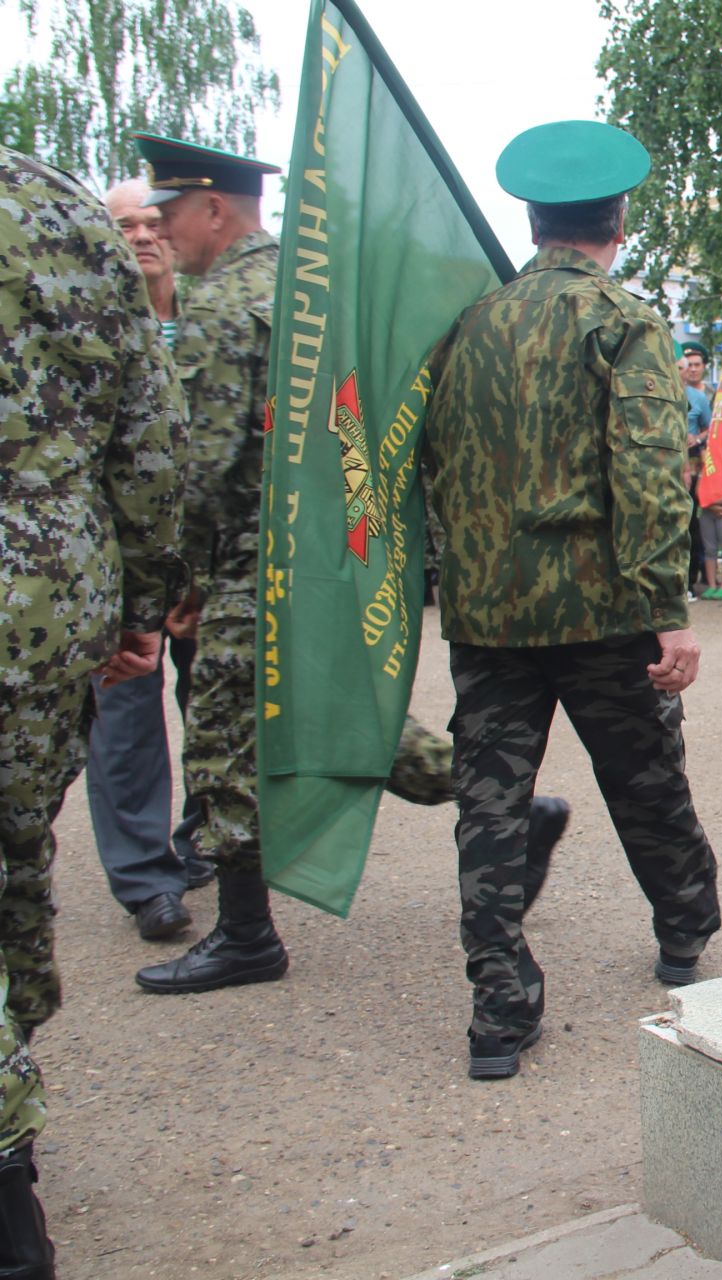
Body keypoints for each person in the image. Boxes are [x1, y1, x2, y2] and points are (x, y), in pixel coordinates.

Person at [419, 121, 721, 1080]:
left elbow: (425, 460)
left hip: (487, 613)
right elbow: (647, 474)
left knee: (490, 806)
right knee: (644, 781)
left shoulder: (465, 323)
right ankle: (684, 929)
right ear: (617, 219)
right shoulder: (622, 322)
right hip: (598, 613)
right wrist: (668, 604)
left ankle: (498, 1012)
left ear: (535, 217)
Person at [0, 145, 188, 1273]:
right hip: (42, 600)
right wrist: (138, 593)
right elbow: (144, 427)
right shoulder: (51, 208)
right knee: (15, 855)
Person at [122, 133, 293, 996]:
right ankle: (510, 813)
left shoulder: (224, 306)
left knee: (223, 746)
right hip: (317, 557)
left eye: (171, 212)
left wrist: (171, 589)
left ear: (215, 209)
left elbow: (200, 468)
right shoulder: (307, 286)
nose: (162, 230)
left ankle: (247, 934)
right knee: (332, 719)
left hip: (247, 565)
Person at [82, 176, 207, 941]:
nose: (143, 236)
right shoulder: (87, 327)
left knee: (217, 710)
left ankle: (200, 840)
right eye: (125, 225)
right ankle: (146, 880)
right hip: (121, 560)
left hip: (203, 561)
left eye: (154, 222)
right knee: (126, 717)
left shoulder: (209, 320)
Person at [681, 342, 713, 592]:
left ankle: (691, 579)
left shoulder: (699, 397)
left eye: (693, 365)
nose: (689, 370)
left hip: (692, 462)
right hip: (668, 461)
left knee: (692, 521)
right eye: (684, 366)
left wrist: (697, 438)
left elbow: (709, 429)